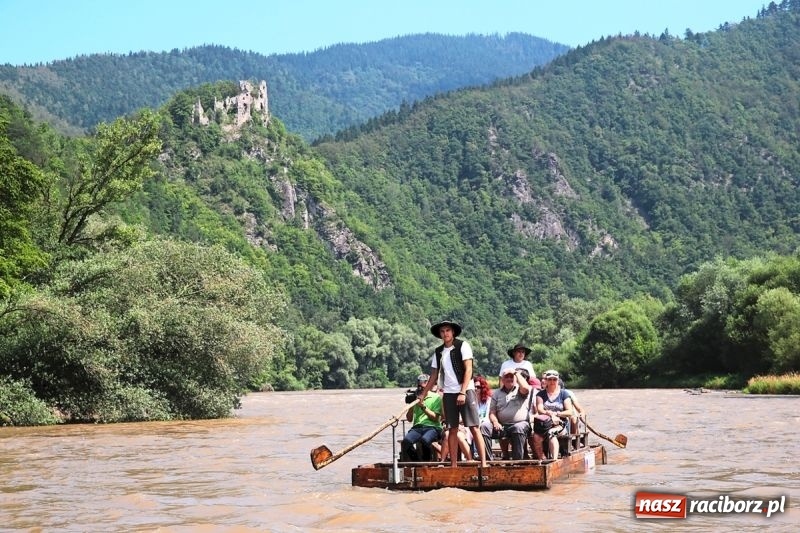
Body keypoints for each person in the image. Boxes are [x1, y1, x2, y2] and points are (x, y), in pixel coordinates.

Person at [417, 319, 488, 468]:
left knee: (474, 426)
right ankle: (454, 465)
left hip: (465, 390)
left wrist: (462, 392)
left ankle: (483, 463)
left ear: (453, 332)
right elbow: (434, 374)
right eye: (442, 331)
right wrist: (423, 393)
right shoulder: (439, 351)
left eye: (447, 330)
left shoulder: (463, 346)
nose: (445, 334)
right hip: (448, 393)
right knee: (452, 429)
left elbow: (468, 369)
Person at [480, 367, 532, 460]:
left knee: (518, 428)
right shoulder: (496, 393)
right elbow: (492, 412)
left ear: (516, 378)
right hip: (502, 425)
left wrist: (515, 372)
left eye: (511, 377)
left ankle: (517, 462)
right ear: (502, 380)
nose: (509, 379)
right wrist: (495, 422)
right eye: (506, 377)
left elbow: (525, 388)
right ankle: (488, 460)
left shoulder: (520, 390)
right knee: (485, 427)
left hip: (520, 424)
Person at [530, 369, 574, 460]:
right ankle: (542, 458)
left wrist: (557, 414)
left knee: (551, 433)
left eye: (554, 379)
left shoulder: (564, 394)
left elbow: (569, 412)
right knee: (536, 436)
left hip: (560, 424)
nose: (552, 382)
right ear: (546, 381)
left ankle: (554, 460)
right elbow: (540, 409)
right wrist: (549, 413)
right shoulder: (540, 394)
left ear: (558, 381)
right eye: (550, 379)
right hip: (545, 424)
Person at [401, 374, 443, 461]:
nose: (421, 389)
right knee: (406, 442)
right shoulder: (415, 397)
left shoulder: (436, 398)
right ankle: (416, 462)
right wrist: (412, 407)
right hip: (417, 427)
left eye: (423, 387)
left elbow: (435, 418)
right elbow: (409, 419)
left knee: (424, 440)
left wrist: (423, 407)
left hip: (432, 427)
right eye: (419, 387)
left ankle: (427, 463)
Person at [471, 374, 493, 459]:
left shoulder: (488, 401)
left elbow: (488, 415)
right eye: (474, 387)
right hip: (474, 423)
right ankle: (472, 455)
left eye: (478, 387)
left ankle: (485, 456)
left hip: (485, 423)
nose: (476, 389)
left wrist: (480, 422)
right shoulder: (471, 400)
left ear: (483, 388)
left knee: (481, 427)